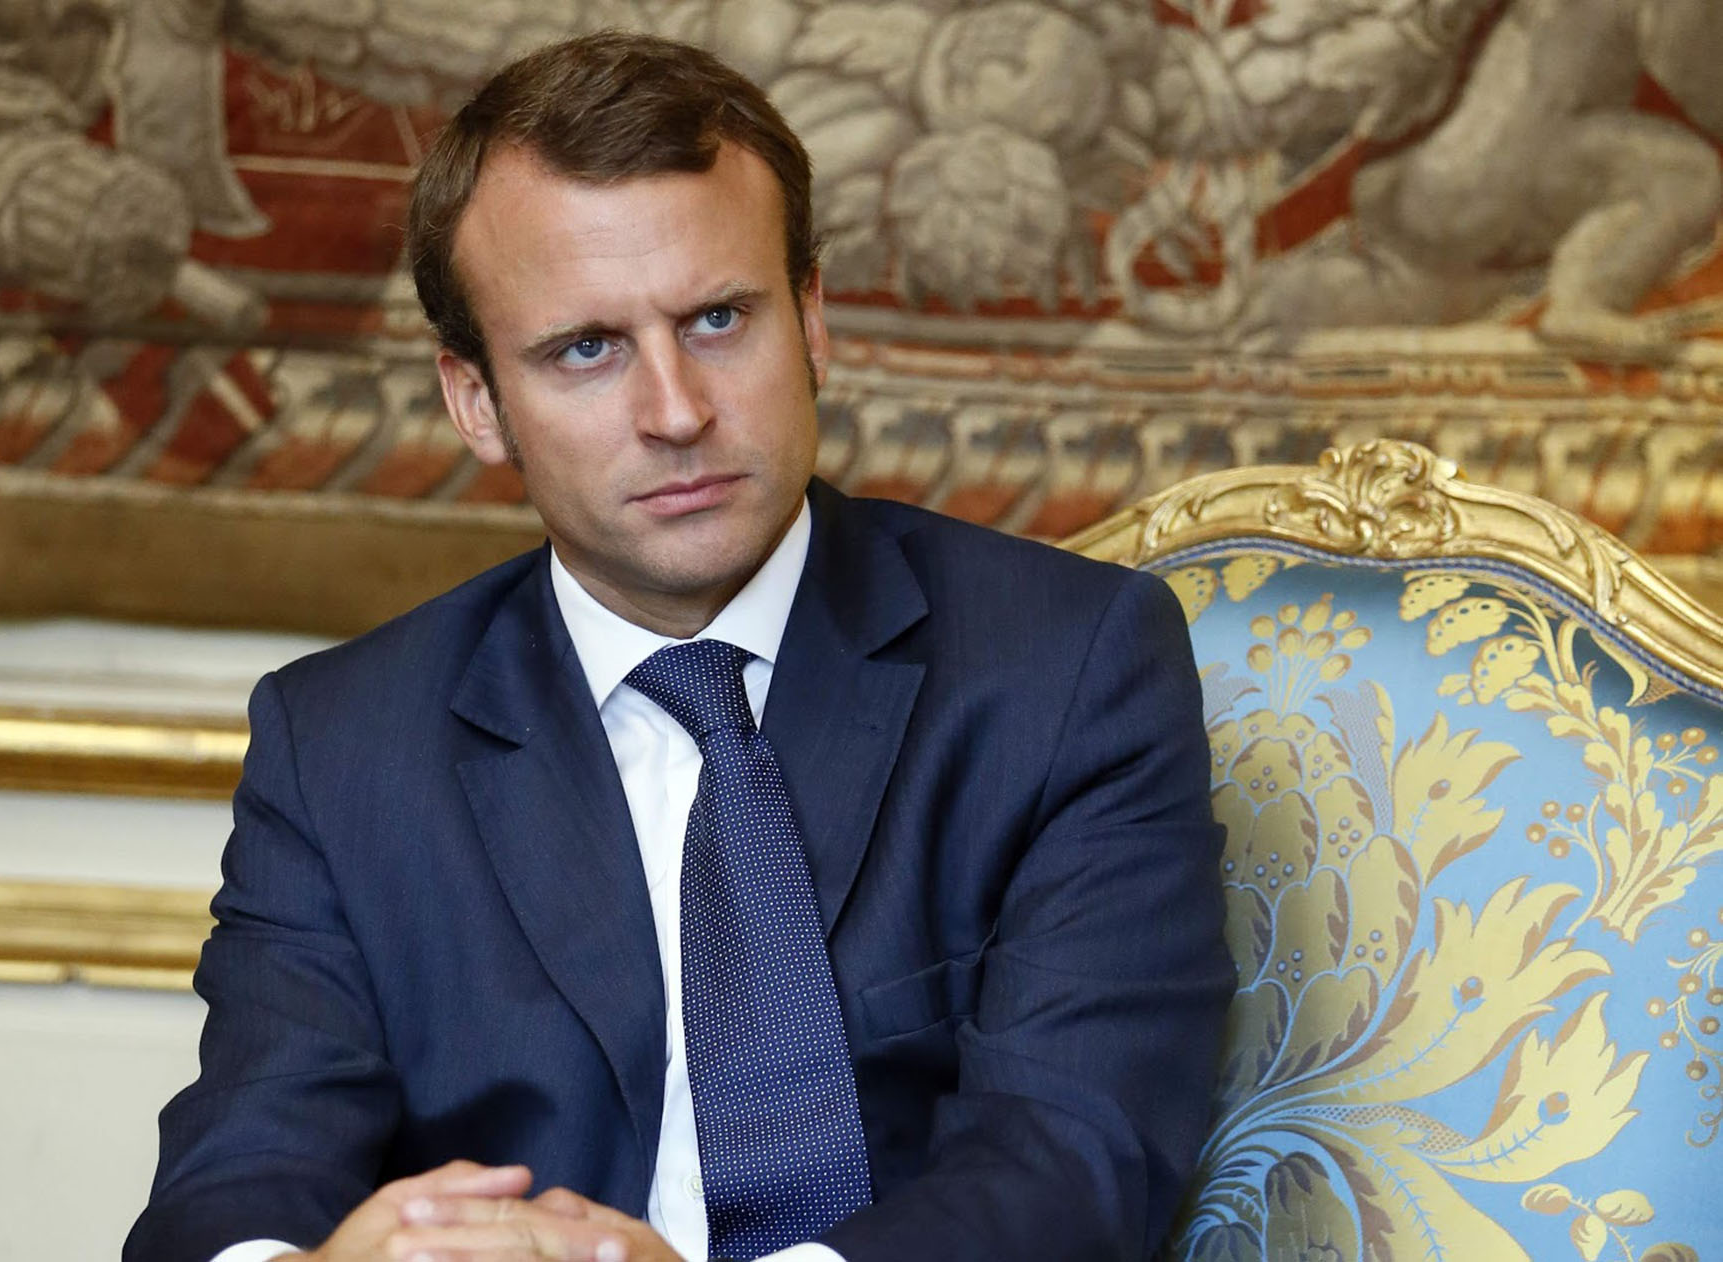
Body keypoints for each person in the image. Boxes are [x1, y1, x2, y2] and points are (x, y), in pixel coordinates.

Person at [127, 30, 1232, 1262]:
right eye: (585, 349)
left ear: (811, 320)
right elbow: (239, 1172)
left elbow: (1073, 1160)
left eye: (717, 318)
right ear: (475, 400)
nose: (675, 411)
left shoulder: (1069, 667)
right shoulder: (340, 744)